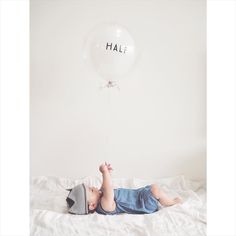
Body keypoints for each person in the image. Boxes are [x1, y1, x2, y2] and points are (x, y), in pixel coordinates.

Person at [66, 162, 182, 215]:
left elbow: (106, 186)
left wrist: (109, 174)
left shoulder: (102, 196)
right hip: (141, 204)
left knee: (154, 189)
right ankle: (172, 202)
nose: (93, 187)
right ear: (92, 205)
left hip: (139, 195)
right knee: (155, 189)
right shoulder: (104, 205)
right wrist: (104, 172)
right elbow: (109, 189)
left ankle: (163, 199)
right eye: (91, 190)